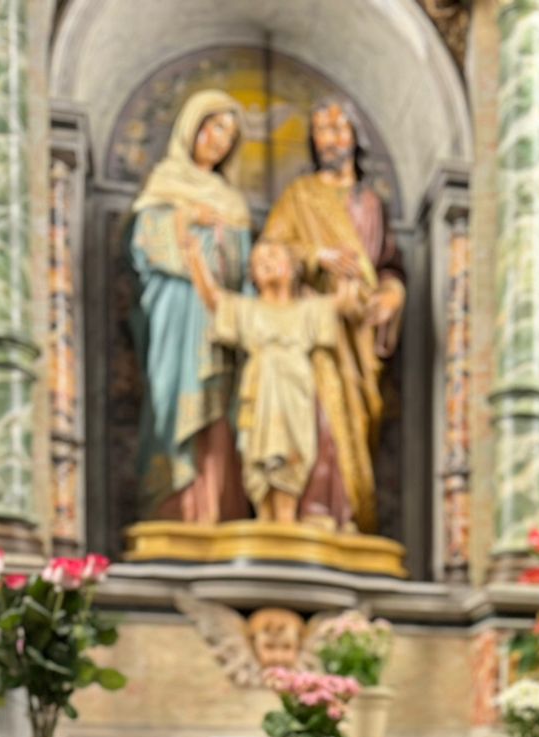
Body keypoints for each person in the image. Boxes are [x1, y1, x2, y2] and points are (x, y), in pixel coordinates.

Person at [261, 97, 406, 535]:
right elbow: (269, 251)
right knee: (317, 413)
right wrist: (316, 256)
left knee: (356, 415)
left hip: (359, 332)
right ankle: (314, 507)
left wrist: (392, 295)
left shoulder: (372, 204)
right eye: (323, 130)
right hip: (313, 325)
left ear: (355, 138)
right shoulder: (300, 196)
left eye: (340, 128)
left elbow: (389, 267)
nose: (332, 139)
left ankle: (349, 513)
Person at [127, 89, 252, 524]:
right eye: (215, 127)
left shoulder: (232, 201)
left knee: (220, 409)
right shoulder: (165, 182)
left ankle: (218, 511)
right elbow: (143, 243)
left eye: (229, 134)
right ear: (192, 126)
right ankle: (173, 509)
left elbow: (243, 267)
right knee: (169, 399)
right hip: (176, 311)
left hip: (218, 318)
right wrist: (185, 219)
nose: (220, 140)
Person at [183, 232, 341, 522]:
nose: (266, 263)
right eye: (258, 261)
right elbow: (214, 298)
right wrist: (195, 258)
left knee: (290, 458)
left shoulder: (310, 310)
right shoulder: (248, 309)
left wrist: (341, 267)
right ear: (252, 275)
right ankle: (265, 519)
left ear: (292, 267)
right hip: (258, 394)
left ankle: (287, 520)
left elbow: (347, 302)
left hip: (295, 393)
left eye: (273, 256)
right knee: (257, 460)